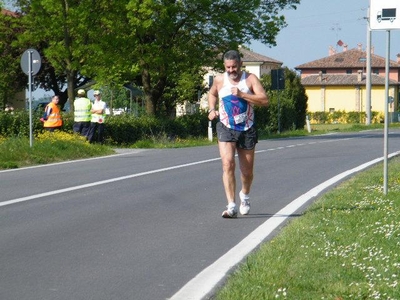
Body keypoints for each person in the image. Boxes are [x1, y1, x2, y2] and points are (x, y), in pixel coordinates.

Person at [208, 50, 269, 218]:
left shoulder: (250, 79)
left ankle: (245, 195)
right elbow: (212, 93)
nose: (231, 70)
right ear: (224, 66)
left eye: (234, 67)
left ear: (240, 64)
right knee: (227, 164)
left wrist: (243, 94)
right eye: (228, 67)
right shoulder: (219, 80)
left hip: (247, 128)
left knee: (246, 172)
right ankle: (231, 205)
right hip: (226, 127)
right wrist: (212, 109)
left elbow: (264, 100)